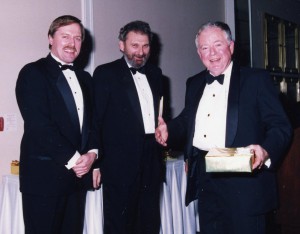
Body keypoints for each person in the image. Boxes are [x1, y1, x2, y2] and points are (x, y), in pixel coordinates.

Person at [155, 21, 292, 234]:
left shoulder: (256, 80)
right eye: (205, 48)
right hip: (205, 179)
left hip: (245, 183)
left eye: (218, 45)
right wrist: (168, 131)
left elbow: (280, 126)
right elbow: (187, 120)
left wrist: (265, 151)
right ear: (199, 52)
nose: (212, 53)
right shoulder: (194, 82)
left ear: (231, 47)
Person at [15, 15, 98, 234]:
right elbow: (39, 126)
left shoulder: (86, 79)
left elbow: (94, 124)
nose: (72, 43)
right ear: (51, 38)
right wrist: (76, 161)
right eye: (65, 36)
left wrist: (93, 154)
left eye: (78, 38)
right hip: (45, 181)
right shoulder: (33, 73)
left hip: (77, 180)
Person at [92, 20, 164, 234]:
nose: (140, 52)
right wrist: (96, 162)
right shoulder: (105, 73)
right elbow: (96, 120)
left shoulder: (156, 74)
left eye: (145, 46)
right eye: (134, 45)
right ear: (121, 45)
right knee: (119, 225)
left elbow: (158, 117)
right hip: (119, 165)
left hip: (151, 161)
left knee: (149, 222)